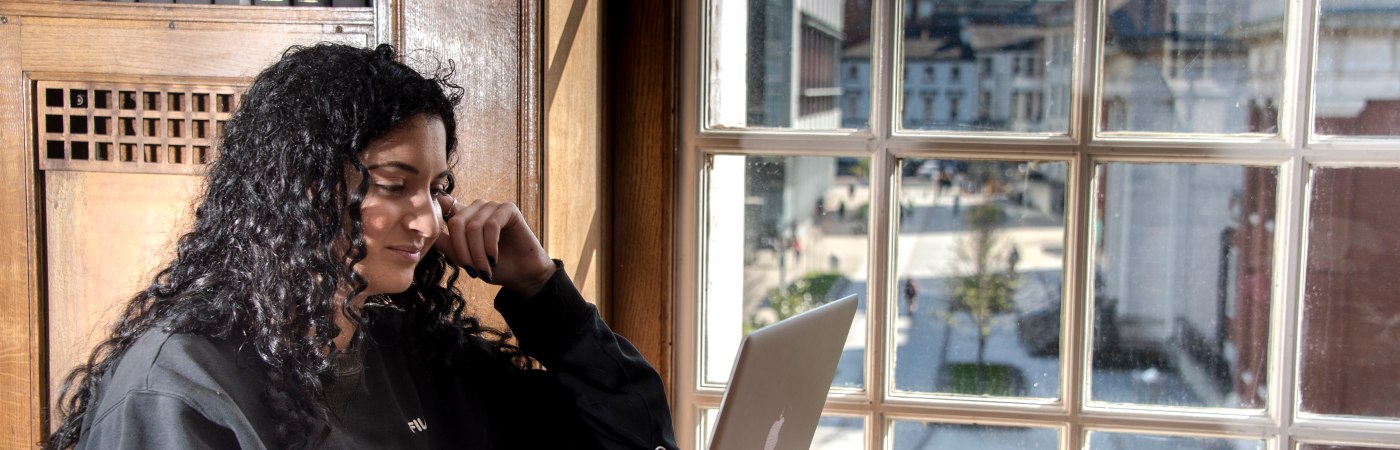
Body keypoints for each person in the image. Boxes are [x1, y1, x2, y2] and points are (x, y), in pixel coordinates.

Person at [45, 43, 676, 450]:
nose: (428, 221)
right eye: (396, 186)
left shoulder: (416, 357)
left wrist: (542, 292)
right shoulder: (180, 387)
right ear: (302, 188)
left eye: (436, 190)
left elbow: (633, 439)